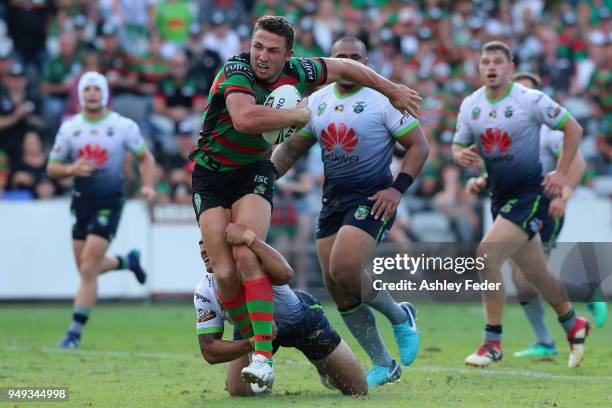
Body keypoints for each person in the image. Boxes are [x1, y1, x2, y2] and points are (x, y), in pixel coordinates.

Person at [192, 16, 421, 389]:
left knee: (255, 253)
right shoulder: (237, 71)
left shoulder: (309, 74)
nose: (262, 57)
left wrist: (392, 88)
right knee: (227, 272)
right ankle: (261, 344)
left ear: (289, 56)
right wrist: (296, 115)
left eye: (273, 50)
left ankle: (266, 356)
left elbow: (346, 67)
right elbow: (247, 119)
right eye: (258, 46)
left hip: (256, 174)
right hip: (213, 175)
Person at [271, 36, 429, 387]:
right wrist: (264, 176)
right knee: (337, 286)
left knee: (345, 267)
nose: (349, 63)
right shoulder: (317, 102)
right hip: (333, 201)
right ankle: (384, 363)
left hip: (372, 199)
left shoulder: (384, 101)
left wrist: (396, 189)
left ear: (367, 61)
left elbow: (419, 146)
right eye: (342, 57)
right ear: (332, 61)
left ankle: (400, 315)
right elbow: (291, 150)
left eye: (356, 57)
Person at [452, 41, 590, 369]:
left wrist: (560, 173)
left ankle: (492, 341)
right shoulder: (471, 104)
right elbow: (458, 144)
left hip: (529, 195)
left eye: (498, 61)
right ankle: (573, 323)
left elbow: (573, 128)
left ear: (510, 65)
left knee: (486, 254)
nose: (491, 67)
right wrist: (462, 156)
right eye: (485, 61)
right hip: (499, 196)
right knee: (534, 275)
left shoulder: (530, 99)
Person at [47, 72, 157, 349]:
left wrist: (147, 185)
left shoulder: (122, 126)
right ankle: (126, 262)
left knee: (87, 267)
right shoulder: (70, 128)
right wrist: (72, 168)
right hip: (80, 201)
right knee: (86, 269)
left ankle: (73, 334)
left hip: (109, 200)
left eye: (97, 89)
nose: (92, 94)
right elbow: (52, 168)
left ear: (105, 93)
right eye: (88, 89)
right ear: (80, 95)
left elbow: (146, 158)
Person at [194, 224, 367, 396]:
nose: (203, 250)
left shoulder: (250, 262)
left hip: (301, 321)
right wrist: (252, 342)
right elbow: (209, 350)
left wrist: (249, 238)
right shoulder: (205, 291)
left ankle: (322, 364)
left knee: (357, 389)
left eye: (207, 243)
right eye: (200, 244)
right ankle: (263, 357)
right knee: (239, 391)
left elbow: (286, 273)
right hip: (252, 331)